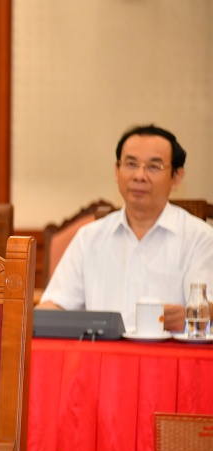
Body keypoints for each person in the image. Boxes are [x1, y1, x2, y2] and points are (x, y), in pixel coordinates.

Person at [38, 125, 213, 332]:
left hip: (166, 358)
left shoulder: (200, 238)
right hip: (101, 358)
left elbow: (206, 307)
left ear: (176, 177)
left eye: (153, 167)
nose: (139, 175)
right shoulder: (90, 237)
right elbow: (55, 305)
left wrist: (187, 317)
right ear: (116, 170)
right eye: (131, 164)